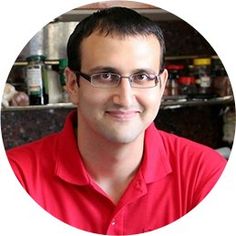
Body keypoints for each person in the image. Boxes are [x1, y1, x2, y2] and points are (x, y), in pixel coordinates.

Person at [6, 7, 226, 235]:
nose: (125, 99)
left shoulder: (206, 175)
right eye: (105, 76)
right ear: (72, 85)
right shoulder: (17, 177)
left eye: (142, 77)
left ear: (161, 85)